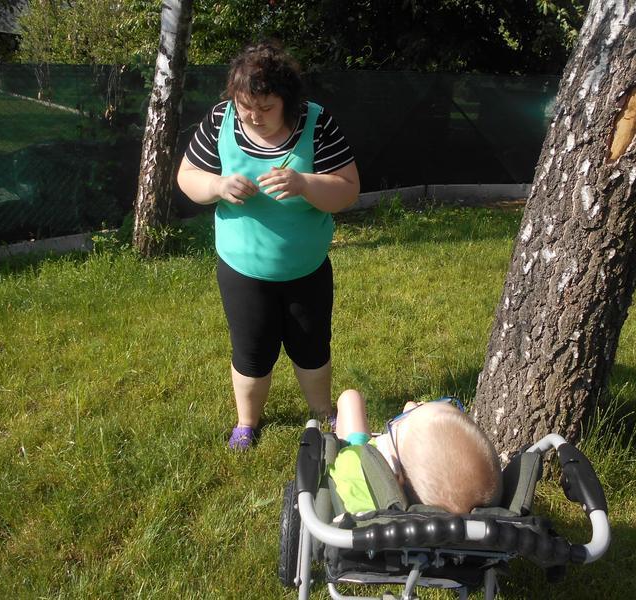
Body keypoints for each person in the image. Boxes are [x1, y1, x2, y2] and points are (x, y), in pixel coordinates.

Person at [177, 41, 360, 449]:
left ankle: (322, 413)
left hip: (306, 267)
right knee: (251, 352)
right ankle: (247, 424)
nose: (253, 116)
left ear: (288, 101)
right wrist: (217, 185)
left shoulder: (316, 122)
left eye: (265, 107)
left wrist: (304, 183)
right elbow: (187, 176)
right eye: (245, 107)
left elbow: (348, 190)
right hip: (242, 270)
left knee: (312, 348)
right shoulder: (221, 120)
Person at [330, 389, 503, 515]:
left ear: (397, 477)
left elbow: (349, 453)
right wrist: (410, 416)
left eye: (396, 427)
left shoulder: (354, 465)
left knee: (350, 398)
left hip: (363, 464)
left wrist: (412, 412)